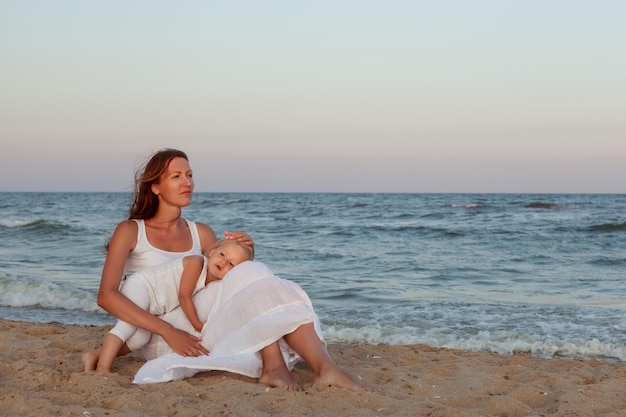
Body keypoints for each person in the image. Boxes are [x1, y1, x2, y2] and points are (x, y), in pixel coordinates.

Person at [89, 148, 363, 392]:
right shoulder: (131, 230)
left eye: (190, 174)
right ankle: (276, 366)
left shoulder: (202, 233)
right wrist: (169, 331)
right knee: (250, 276)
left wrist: (246, 252)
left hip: (200, 325)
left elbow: (233, 281)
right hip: (162, 335)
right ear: (156, 187)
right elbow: (107, 296)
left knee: (250, 271)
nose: (187, 182)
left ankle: (322, 367)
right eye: (176, 177)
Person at [82, 238, 253, 372]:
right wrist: (198, 325)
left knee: (141, 338)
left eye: (231, 264)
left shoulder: (215, 283)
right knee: (125, 328)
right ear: (213, 251)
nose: (223, 262)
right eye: (222, 255)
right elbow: (183, 297)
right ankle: (103, 369)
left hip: (155, 304)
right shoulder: (197, 263)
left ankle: (95, 355)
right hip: (143, 287)